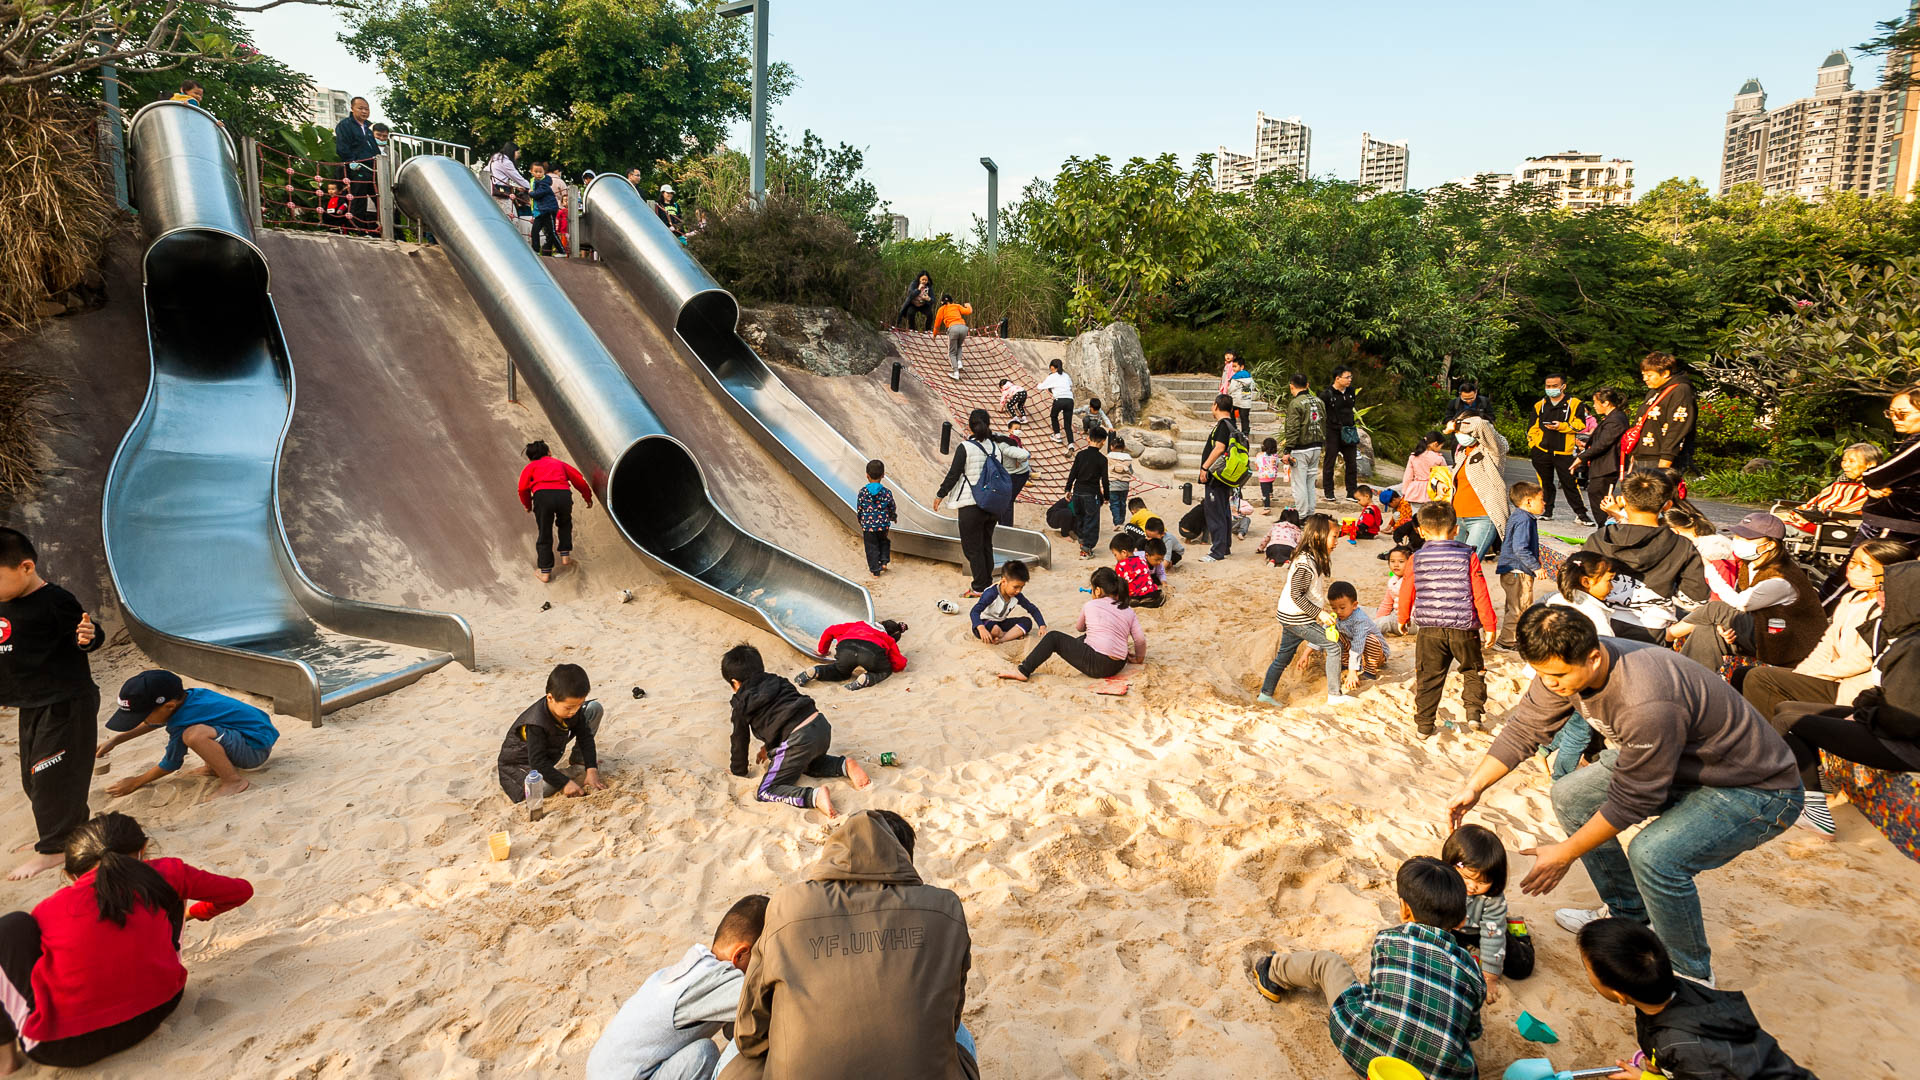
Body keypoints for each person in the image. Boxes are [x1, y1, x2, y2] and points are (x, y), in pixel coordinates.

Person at [1449, 605, 1802, 985]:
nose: (1549, 684)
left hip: (1755, 786)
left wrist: (1565, 853)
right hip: (1679, 763)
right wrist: (1475, 786)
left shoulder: (1644, 697)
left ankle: (1691, 977)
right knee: (1570, 795)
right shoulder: (1559, 668)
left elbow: (1634, 800)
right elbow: (1523, 729)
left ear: (1594, 656)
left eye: (1556, 675)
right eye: (1541, 674)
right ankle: (1629, 912)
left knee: (1654, 855)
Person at [719, 811, 977, 1079]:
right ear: (904, 859)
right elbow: (951, 1016)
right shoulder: (945, 909)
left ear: (836, 851)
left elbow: (748, 1035)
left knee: (740, 1060)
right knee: (960, 1036)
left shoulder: (787, 906)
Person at [0, 813, 250, 1072]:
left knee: (9, 928)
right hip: (161, 1006)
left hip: (59, 1047)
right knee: (169, 888)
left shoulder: (49, 908)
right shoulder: (167, 871)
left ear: (71, 875)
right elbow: (241, 891)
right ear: (143, 850)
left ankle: (6, 1059)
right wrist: (194, 913)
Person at [1251, 857, 1485, 1080]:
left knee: (1328, 963)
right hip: (1439, 1075)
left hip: (1364, 1047)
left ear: (1404, 910)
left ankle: (1271, 971)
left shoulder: (1389, 940)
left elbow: (1379, 990)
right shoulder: (1472, 971)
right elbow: (1473, 1031)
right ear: (1462, 920)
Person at [1770, 559, 1920, 837]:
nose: (1880, 595)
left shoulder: (1913, 646)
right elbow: (1882, 691)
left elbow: (1903, 720)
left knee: (1792, 721)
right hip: (1888, 727)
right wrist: (1861, 711)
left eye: (1889, 589)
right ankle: (1816, 783)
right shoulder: (1904, 635)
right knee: (1786, 708)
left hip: (1904, 745)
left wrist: (1861, 717)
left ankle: (1813, 811)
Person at [1576, 918, 1818, 1080]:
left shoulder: (1685, 1046)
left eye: (1587, 969)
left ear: (1620, 995)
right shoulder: (1674, 990)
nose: (1586, 972)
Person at [0, 528, 103, 880]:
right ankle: (63, 835)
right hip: (31, 704)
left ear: (26, 567)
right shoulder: (4, 602)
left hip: (65, 702)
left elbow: (88, 633)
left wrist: (89, 637)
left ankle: (55, 850)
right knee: (34, 779)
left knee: (51, 776)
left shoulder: (55, 601)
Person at [587, 895, 768, 1080]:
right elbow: (765, 1002)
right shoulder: (714, 979)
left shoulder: (692, 968)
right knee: (705, 1054)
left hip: (603, 1071)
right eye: (762, 960)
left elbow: (736, 1027)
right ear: (740, 954)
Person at [1740, 539, 1912, 727]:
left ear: (1890, 573)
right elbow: (1826, 644)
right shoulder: (1852, 597)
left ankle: (1768, 738)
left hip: (1851, 688)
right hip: (1828, 675)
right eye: (1852, 562)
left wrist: (1815, 676)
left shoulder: (1885, 611)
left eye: (1864, 566)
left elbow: (1860, 661)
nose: (1853, 569)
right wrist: (1803, 672)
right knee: (1743, 674)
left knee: (1760, 679)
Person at [1664, 512, 1824, 672]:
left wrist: (1710, 570)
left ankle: (1668, 636)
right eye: (1738, 536)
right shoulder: (1751, 564)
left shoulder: (1781, 578)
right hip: (1764, 629)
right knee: (1707, 631)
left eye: (1748, 538)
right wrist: (1722, 624)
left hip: (1789, 644)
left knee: (1716, 609)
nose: (1738, 541)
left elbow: (1741, 603)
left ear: (1770, 545)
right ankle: (1685, 682)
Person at [724, 645, 869, 818]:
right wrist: (769, 748)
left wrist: (738, 771)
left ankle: (814, 797)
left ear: (735, 683)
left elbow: (740, 740)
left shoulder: (740, 703)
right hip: (820, 726)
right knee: (803, 764)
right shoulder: (777, 680)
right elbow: (782, 713)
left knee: (766, 791)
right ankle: (844, 766)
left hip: (798, 739)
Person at [1395, 503, 1496, 737]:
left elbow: (1407, 589)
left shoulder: (1416, 557)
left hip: (1429, 629)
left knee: (1429, 676)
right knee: (1472, 670)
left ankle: (1424, 725)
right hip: (1464, 628)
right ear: (1456, 530)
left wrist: (1403, 617)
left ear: (1421, 531)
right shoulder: (1468, 554)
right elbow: (1480, 591)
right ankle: (1473, 714)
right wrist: (1489, 625)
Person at [96, 670, 278, 800]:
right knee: (200, 729)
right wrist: (116, 740)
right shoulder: (188, 698)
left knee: (194, 735)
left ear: (169, 706)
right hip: (252, 735)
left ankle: (233, 781)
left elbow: (171, 763)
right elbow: (153, 721)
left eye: (142, 715)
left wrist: (136, 782)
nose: (140, 720)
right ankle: (214, 767)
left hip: (255, 748)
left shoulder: (181, 720)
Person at [1583, 472, 1709, 642]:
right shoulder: (1681, 546)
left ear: (1623, 501)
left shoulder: (1600, 537)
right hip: (1653, 630)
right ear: (1667, 505)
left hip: (1599, 623)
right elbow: (1696, 599)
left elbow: (1578, 583)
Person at [932, 410, 1027, 597]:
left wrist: (940, 494)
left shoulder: (965, 447)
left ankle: (979, 587)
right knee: (985, 544)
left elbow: (954, 474)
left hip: (971, 503)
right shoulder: (995, 447)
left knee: (972, 547)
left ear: (970, 426)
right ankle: (987, 583)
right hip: (992, 504)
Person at [1256, 514, 1345, 706]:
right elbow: (1297, 594)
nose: (1336, 542)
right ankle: (1335, 696)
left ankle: (1265, 694)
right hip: (1297, 618)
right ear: (1318, 536)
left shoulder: (1312, 558)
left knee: (1283, 657)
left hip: (1290, 616)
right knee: (1334, 646)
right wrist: (1319, 613)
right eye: (1334, 536)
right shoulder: (1305, 564)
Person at [1543, 551, 1617, 779]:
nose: (1612, 587)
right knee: (1579, 733)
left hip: (1549, 674)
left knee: (1568, 721)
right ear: (1587, 582)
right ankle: (1561, 777)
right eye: (1609, 580)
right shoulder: (1593, 613)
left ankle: (1543, 749)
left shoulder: (1556, 598)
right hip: (1577, 680)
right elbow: (1608, 648)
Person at [997, 568, 1143, 682]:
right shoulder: (1127, 609)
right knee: (1087, 637)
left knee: (1054, 637)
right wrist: (1138, 659)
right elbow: (1140, 640)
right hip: (1119, 664)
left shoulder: (1090, 605)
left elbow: (1079, 628)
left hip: (1098, 666)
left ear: (1097, 591)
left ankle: (1023, 671)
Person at [1443, 824, 1534, 1001]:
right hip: (1453, 928)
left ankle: (1520, 936)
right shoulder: (1443, 881)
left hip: (1486, 927)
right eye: (1466, 877)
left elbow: (1493, 938)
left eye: (1482, 882)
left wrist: (1490, 977)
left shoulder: (1492, 900)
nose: (1472, 886)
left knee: (1521, 969)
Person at [495, 663, 607, 803]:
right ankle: (566, 774)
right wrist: (564, 783)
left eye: (579, 704)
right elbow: (537, 762)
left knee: (594, 708)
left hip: (548, 752)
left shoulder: (573, 711)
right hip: (521, 766)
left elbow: (586, 737)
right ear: (550, 698)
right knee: (540, 789)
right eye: (569, 707)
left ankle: (579, 761)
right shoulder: (535, 724)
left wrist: (591, 769)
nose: (574, 711)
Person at [517, 439, 594, 583]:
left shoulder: (530, 467)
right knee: (565, 523)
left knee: (544, 531)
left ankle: (545, 572)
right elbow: (579, 480)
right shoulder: (559, 464)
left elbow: (522, 489)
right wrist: (587, 497)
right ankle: (565, 556)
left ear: (529, 458)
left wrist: (527, 505)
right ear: (549, 452)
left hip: (542, 497)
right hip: (563, 495)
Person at [1857, 381, 1920, 548]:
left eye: (1903, 413)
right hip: (1899, 525)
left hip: (1895, 526)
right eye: (1891, 413)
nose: (1895, 418)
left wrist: (1872, 481)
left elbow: (1876, 476)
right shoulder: (1912, 439)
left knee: (1859, 572)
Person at [1527, 373, 1595, 525]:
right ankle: (1547, 511)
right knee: (1545, 483)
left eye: (1554, 386)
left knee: (1569, 483)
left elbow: (1580, 424)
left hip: (1564, 451)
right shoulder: (1540, 404)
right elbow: (1532, 427)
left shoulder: (1575, 403)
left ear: (1563, 386)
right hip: (1542, 451)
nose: (1550, 389)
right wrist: (1534, 445)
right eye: (1548, 386)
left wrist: (1562, 426)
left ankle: (1581, 514)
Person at [1775, 442, 1880, 534]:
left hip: (1825, 527)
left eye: (1852, 461)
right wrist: (1799, 513)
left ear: (1870, 464)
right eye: (1844, 460)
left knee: (1766, 526)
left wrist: (1811, 515)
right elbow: (1816, 502)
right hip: (1808, 520)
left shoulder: (1875, 489)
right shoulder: (1840, 483)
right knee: (1762, 518)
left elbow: (1848, 511)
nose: (1845, 465)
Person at [1624, 352, 1697, 479]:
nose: (1645, 379)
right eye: (1643, 375)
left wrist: (1665, 463)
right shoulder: (1654, 391)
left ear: (1665, 373)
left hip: (1660, 458)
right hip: (1643, 456)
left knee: (1657, 497)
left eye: (1649, 375)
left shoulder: (1681, 390)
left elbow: (1677, 428)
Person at [1448, 415, 1508, 559]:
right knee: (1452, 563)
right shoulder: (1462, 452)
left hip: (1482, 517)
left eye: (1465, 425)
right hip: (1457, 517)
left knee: (1468, 564)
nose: (1460, 433)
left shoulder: (1493, 451)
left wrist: (1455, 425)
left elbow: (1482, 425)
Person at [1495, 481, 1545, 650]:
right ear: (1528, 501)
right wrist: (1536, 567)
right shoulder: (1524, 519)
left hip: (1512, 569)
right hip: (1518, 570)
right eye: (1541, 499)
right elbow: (1520, 548)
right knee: (1519, 606)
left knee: (1514, 606)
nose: (1544, 503)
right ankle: (1507, 642)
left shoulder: (1519, 516)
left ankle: (1510, 638)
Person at [798, 619, 908, 692]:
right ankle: (866, 679)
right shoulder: (888, 638)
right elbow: (899, 664)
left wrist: (823, 651)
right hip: (871, 652)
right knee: (884, 670)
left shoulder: (858, 624)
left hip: (846, 647)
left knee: (840, 671)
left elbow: (830, 631)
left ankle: (817, 671)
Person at [1198, 395, 1245, 563]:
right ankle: (1224, 547)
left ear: (1215, 405)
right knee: (1223, 510)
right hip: (1225, 476)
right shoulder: (1232, 425)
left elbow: (1219, 448)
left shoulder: (1223, 426)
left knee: (1215, 512)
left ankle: (1217, 551)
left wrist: (1205, 468)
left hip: (1216, 476)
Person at [1327, 581, 1388, 695]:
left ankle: (1369, 672)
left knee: (1369, 639)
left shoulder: (1360, 619)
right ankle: (1345, 664)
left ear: (1354, 605)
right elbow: (1324, 631)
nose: (1338, 611)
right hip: (1356, 654)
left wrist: (1352, 672)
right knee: (1334, 634)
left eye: (1342, 607)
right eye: (1334, 608)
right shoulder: (1337, 616)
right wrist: (1308, 650)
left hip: (1375, 654)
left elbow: (1358, 644)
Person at [1280, 373, 1325, 518]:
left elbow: (1293, 428)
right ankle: (1311, 513)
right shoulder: (1319, 401)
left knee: (1299, 484)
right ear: (1308, 385)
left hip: (1301, 449)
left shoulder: (1296, 403)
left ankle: (1301, 515)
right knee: (1310, 483)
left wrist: (1287, 450)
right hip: (1316, 447)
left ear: (1291, 386)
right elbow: (1324, 423)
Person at [1577, 387, 1630, 512]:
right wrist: (1586, 445)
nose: (1594, 406)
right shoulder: (1612, 417)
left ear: (1606, 403)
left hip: (1607, 467)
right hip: (1602, 465)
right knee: (1596, 495)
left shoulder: (1616, 419)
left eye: (1595, 402)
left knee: (1599, 498)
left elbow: (1603, 444)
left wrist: (1581, 457)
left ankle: (1606, 528)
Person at [332, 96, 379, 230]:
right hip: (357, 169)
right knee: (359, 200)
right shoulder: (345, 125)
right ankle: (357, 229)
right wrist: (351, 161)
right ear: (352, 109)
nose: (364, 111)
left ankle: (385, 230)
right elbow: (342, 147)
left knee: (380, 199)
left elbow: (374, 148)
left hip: (372, 169)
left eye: (367, 109)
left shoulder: (368, 127)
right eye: (361, 108)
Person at [970, 560, 1044, 644]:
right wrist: (981, 628)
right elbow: (974, 611)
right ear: (1004, 581)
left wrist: (1042, 625)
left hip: (1001, 622)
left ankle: (1002, 639)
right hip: (985, 623)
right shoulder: (991, 594)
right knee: (995, 630)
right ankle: (1009, 635)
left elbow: (1032, 609)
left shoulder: (1017, 596)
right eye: (1015, 587)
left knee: (1027, 622)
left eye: (1021, 587)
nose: (1018, 591)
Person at [1065, 426, 1110, 558]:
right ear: (1103, 442)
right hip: (1092, 494)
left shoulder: (1080, 455)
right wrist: (1106, 496)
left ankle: (1082, 541)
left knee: (1080, 518)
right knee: (1091, 521)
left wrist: (1068, 489)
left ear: (1088, 439)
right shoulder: (1102, 459)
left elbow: (1073, 473)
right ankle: (1086, 549)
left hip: (1077, 492)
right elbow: (1105, 481)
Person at [1321, 366, 1360, 504]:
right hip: (1333, 431)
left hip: (1349, 430)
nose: (1350, 380)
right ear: (1337, 378)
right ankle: (1329, 491)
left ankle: (1351, 491)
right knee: (1330, 461)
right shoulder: (1327, 394)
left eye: (1351, 377)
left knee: (1352, 462)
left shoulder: (1351, 391)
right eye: (1347, 377)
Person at [857, 459, 897, 577]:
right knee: (884, 541)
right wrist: (892, 516)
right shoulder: (886, 492)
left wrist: (861, 520)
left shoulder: (863, 492)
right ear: (883, 475)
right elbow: (891, 506)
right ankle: (884, 561)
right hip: (883, 524)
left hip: (868, 526)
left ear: (867, 475)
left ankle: (875, 570)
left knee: (871, 546)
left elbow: (860, 508)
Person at [1110, 535, 1161, 608]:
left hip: (1134, 596)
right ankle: (1149, 599)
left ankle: (1138, 600)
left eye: (1115, 554)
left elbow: (1120, 585)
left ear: (1124, 552)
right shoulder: (1142, 560)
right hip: (1151, 593)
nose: (1115, 558)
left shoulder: (1120, 565)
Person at [1400, 431, 1446, 510]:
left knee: (1416, 517)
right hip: (1432, 491)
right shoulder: (1439, 458)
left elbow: (1408, 477)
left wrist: (1405, 492)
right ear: (1435, 444)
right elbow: (1444, 477)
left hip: (1415, 492)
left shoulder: (1414, 456)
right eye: (1440, 446)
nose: (1440, 449)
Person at [932, 295, 972, 380]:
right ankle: (959, 363)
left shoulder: (942, 309)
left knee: (951, 353)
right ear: (952, 301)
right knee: (959, 346)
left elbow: (937, 324)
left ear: (942, 302)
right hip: (964, 328)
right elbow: (968, 311)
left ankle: (956, 373)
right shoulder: (956, 305)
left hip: (953, 328)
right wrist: (968, 305)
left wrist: (934, 335)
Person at [489, 141, 531, 220]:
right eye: (517, 152)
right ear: (512, 151)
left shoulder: (495, 158)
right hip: (502, 194)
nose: (518, 155)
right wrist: (530, 187)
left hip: (492, 190)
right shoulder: (505, 162)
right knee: (512, 218)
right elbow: (517, 178)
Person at [528, 162, 562, 256]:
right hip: (539, 211)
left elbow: (537, 194)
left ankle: (561, 251)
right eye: (536, 171)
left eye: (541, 172)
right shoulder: (532, 181)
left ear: (544, 172)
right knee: (534, 231)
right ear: (531, 172)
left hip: (548, 210)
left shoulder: (544, 182)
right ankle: (536, 250)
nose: (538, 174)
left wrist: (530, 193)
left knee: (551, 231)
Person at [1038, 360, 1075, 446]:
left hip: (1059, 400)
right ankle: (1071, 443)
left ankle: (1057, 435)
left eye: (1052, 369)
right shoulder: (1066, 375)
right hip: (1070, 400)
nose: (1052, 371)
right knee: (1067, 424)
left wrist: (1039, 384)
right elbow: (1070, 384)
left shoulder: (1052, 376)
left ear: (1056, 368)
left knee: (1053, 416)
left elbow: (1041, 387)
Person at [1376, 545, 1412, 630]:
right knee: (1363, 610)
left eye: (1401, 561)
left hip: (1409, 621)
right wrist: (1378, 619)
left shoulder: (1413, 580)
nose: (1396, 565)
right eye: (1392, 561)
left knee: (1386, 622)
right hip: (1395, 614)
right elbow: (1386, 604)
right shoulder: (1393, 581)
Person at [1221, 352, 1256, 436]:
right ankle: (1245, 432)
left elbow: (1232, 388)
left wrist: (1228, 392)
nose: (1233, 369)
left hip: (1236, 401)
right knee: (1244, 418)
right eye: (1233, 366)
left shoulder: (1236, 378)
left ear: (1242, 367)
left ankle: (1234, 430)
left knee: (1232, 415)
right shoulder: (1249, 377)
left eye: (1235, 366)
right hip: (1246, 402)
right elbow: (1253, 387)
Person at [1105, 433, 1133, 526]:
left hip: (1112, 484)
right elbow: (1131, 471)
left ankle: (1117, 522)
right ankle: (1121, 520)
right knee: (1122, 503)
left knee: (1114, 503)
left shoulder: (1108, 457)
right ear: (1124, 447)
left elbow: (1104, 471)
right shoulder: (1128, 459)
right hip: (1124, 485)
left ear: (1111, 447)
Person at [1252, 437, 1282, 509]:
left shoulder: (1259, 455)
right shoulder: (1275, 456)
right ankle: (1271, 492)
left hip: (1263, 476)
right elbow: (1277, 464)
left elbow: (1257, 463)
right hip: (1272, 475)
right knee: (1269, 482)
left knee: (1265, 492)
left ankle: (1267, 506)